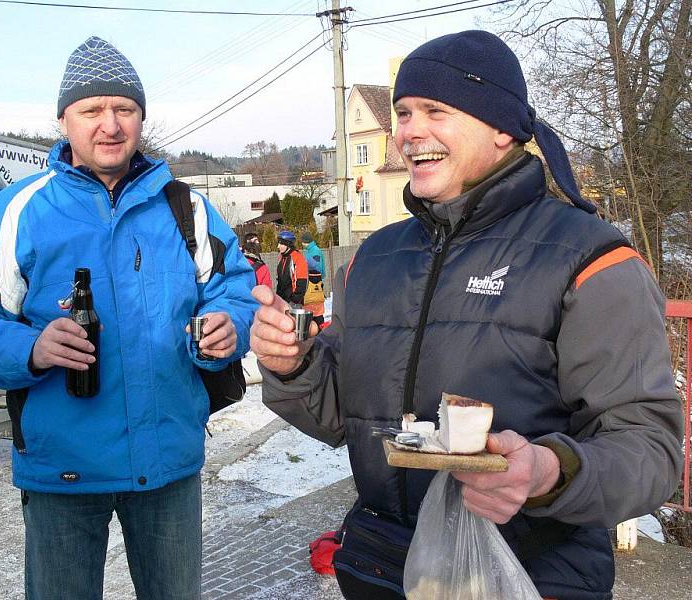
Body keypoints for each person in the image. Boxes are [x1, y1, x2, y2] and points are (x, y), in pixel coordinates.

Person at [250, 30, 683, 600]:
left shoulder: (590, 257)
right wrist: (291, 365)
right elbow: (343, 420)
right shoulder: (376, 258)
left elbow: (650, 451)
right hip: (382, 569)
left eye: (436, 110)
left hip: (531, 572)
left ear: (503, 127)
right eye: (403, 113)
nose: (409, 132)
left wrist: (548, 473)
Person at [0, 36, 256, 600]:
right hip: (63, 470)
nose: (110, 124)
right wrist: (31, 349)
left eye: (124, 109)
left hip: (167, 464)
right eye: (91, 110)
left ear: (141, 119)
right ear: (64, 121)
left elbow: (235, 290)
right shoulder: (16, 214)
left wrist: (229, 325)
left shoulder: (187, 209)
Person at [300, 232, 326, 329]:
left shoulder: (315, 250)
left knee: (316, 311)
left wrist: (302, 263)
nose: (302, 244)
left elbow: (315, 264)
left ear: (306, 242)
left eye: (303, 242)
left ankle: (319, 331)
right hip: (314, 282)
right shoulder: (311, 250)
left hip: (314, 282)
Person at [275, 230, 308, 306]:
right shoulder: (282, 258)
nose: (278, 246)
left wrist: (295, 299)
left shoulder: (297, 257)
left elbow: (302, 280)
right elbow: (279, 281)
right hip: (282, 301)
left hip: (293, 302)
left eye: (281, 244)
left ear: (288, 244)